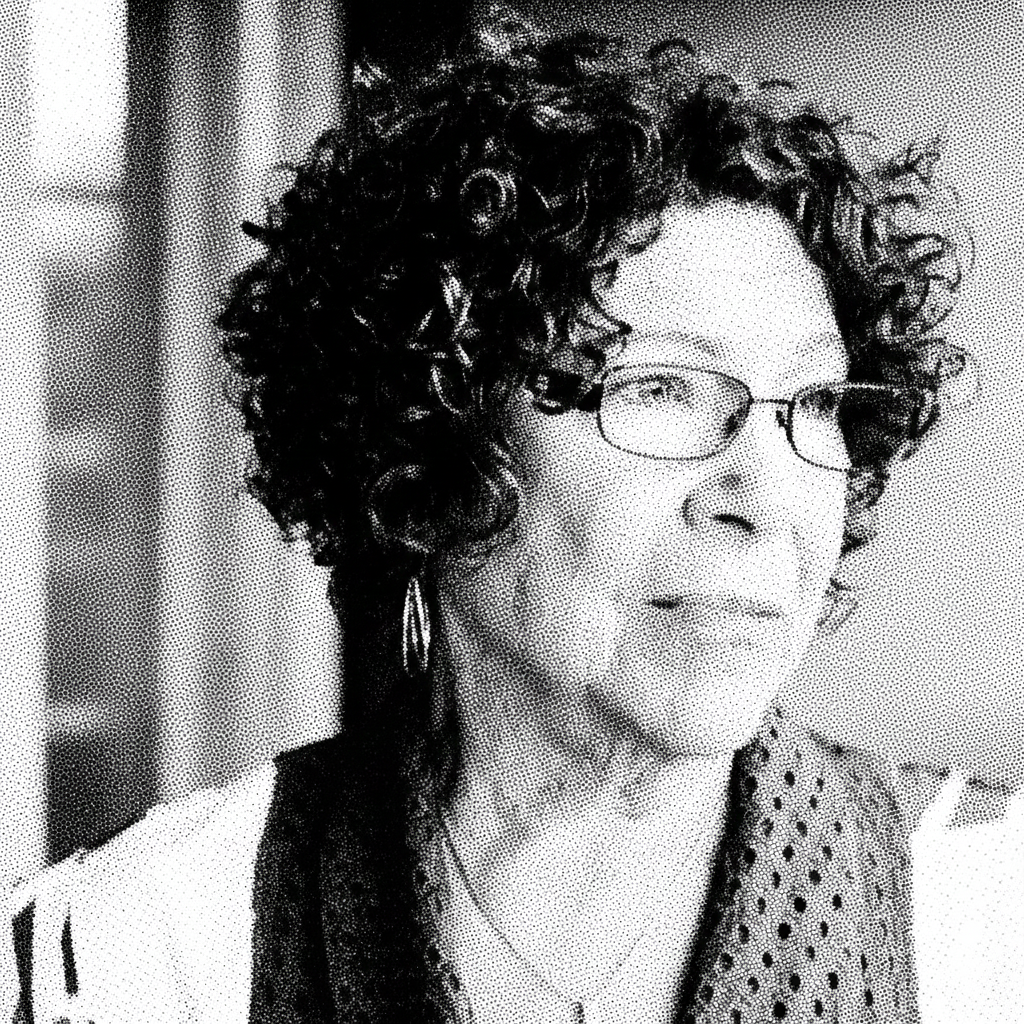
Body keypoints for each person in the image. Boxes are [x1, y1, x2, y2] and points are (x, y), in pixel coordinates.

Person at [5, 8, 977, 1023]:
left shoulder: (988, 916)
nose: (769, 496)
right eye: (659, 390)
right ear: (433, 455)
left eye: (814, 403)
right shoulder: (125, 956)